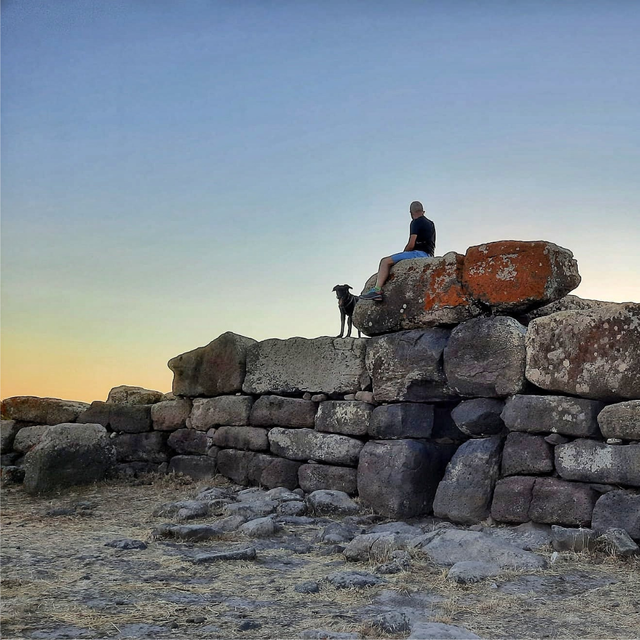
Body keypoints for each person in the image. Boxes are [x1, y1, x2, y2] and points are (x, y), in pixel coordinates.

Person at [359, 201, 435, 301]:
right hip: (429, 255)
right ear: (423, 211)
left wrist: (404, 254)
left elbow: (411, 244)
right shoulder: (431, 223)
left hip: (418, 254)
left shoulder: (415, 222)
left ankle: (376, 290)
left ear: (411, 213)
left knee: (385, 261)